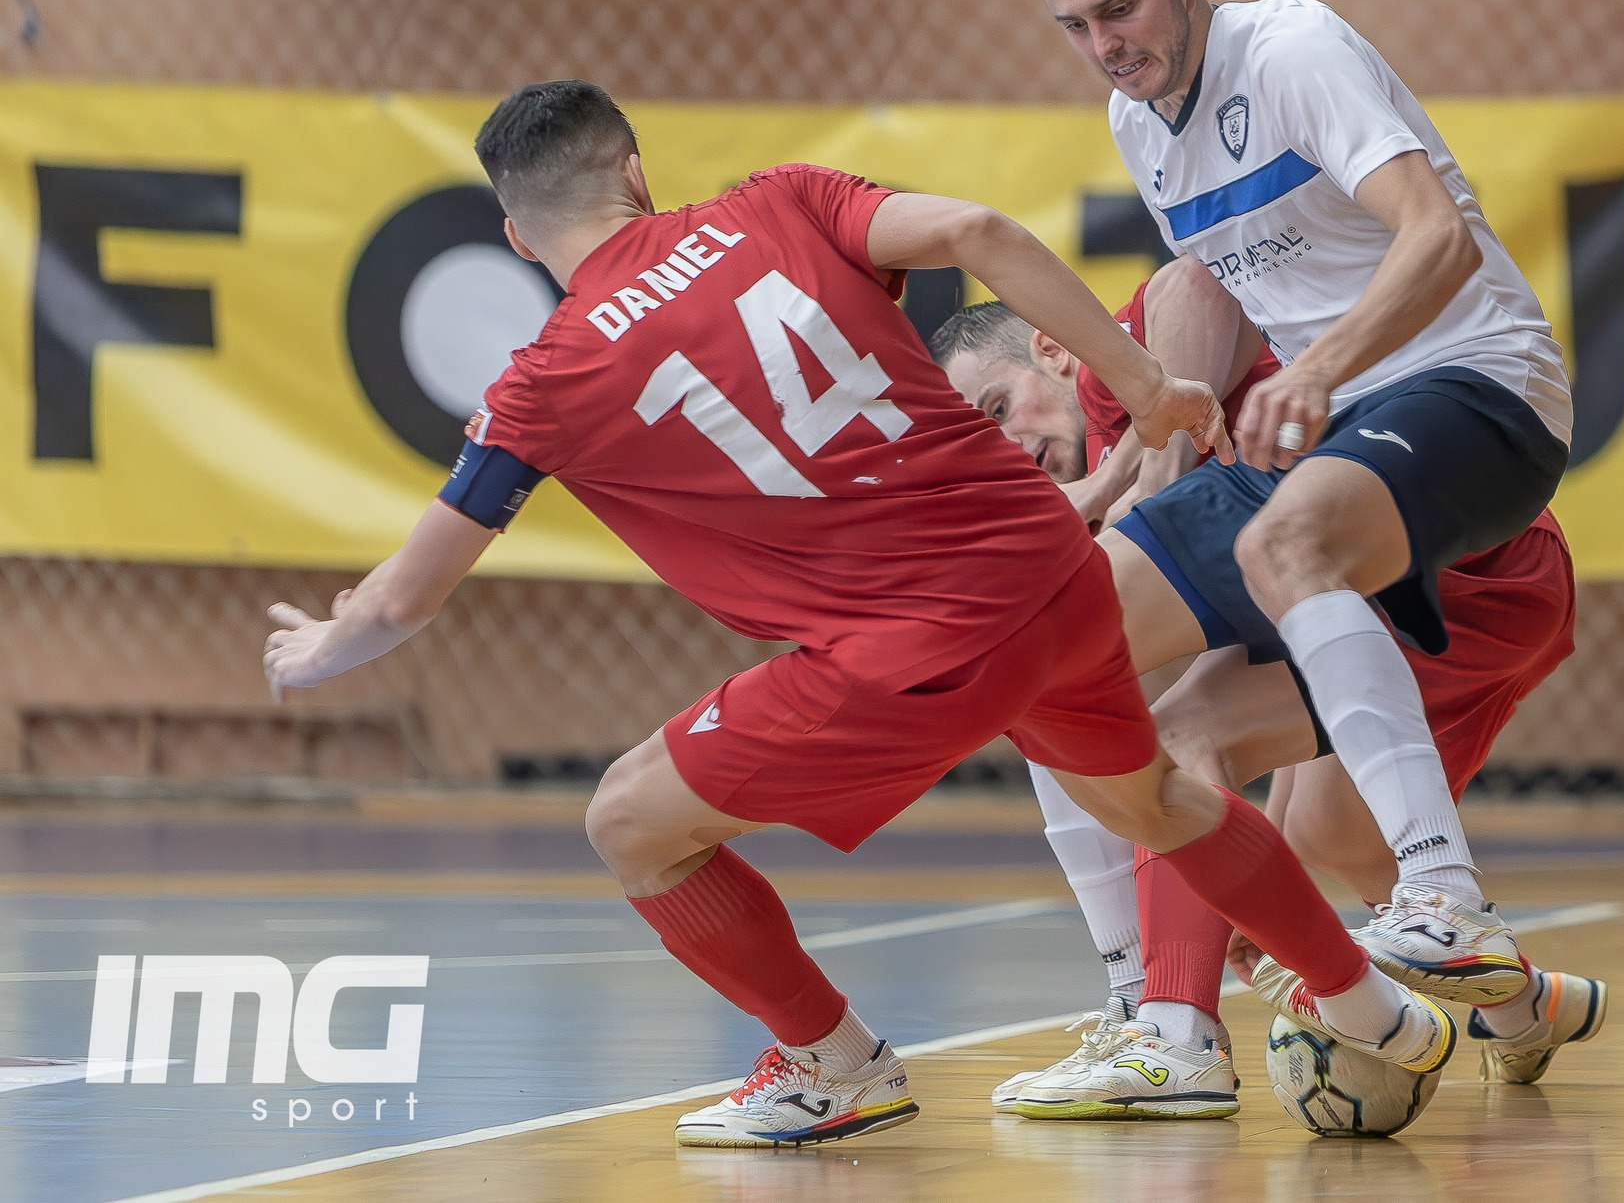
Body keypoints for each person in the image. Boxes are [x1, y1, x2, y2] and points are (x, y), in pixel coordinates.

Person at [259, 80, 1461, 1149]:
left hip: (914, 650)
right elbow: (976, 232)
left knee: (629, 822)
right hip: (1054, 575)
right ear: (633, 168)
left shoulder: (547, 377)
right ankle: (1374, 1011)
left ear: (518, 236)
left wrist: (321, 649)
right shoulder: (780, 199)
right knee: (1156, 798)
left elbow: (406, 600)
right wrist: (1143, 386)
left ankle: (835, 1066)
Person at [1026, 0, 1589, 1098]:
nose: (1102, 44)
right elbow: (1206, 296)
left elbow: (1433, 236)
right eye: (1073, 26)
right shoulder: (1140, 126)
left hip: (1471, 383)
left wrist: (1321, 369)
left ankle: (1445, 902)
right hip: (1320, 445)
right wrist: (1135, 468)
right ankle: (1156, 1025)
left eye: (1118, 7)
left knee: (1289, 548)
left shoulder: (1289, 46)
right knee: (1040, 642)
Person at [935, 270, 1600, 1118]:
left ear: (1055, 350)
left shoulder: (1116, 379)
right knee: (1327, 843)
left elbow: (1195, 283)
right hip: (1399, 584)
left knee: (1089, 682)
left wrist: (1151, 482)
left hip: (1460, 572)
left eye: (998, 408)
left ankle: (1166, 1028)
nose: (1008, 444)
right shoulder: (1089, 483)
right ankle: (1525, 1009)